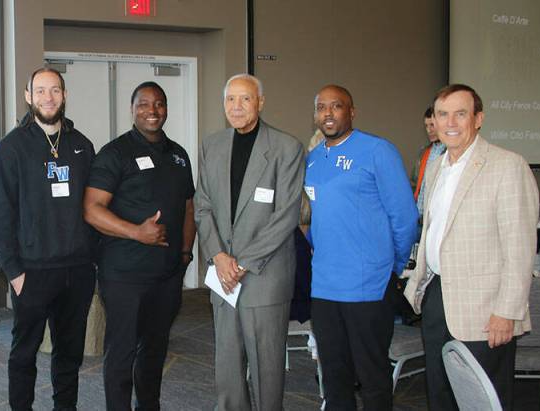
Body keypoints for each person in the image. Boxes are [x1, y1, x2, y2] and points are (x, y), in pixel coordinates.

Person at [404, 84, 538, 410]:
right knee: (441, 396)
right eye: (442, 114)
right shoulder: (437, 166)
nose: (450, 122)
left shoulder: (507, 165)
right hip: (438, 298)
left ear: (478, 119)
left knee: (481, 401)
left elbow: (519, 248)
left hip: (486, 312)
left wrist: (506, 312)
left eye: (460, 114)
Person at [303, 85, 418, 410]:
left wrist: (391, 265)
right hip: (325, 287)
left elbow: (405, 217)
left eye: (336, 106)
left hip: (367, 286)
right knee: (335, 377)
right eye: (321, 107)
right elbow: (322, 216)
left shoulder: (377, 150)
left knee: (372, 377)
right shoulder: (313, 159)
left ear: (351, 112)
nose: (328, 113)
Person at [0, 67, 96, 411]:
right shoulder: (11, 148)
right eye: (41, 91)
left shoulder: (82, 146)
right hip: (31, 272)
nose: (48, 97)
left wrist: (92, 260)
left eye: (55, 90)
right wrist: (14, 273)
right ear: (28, 95)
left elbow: (93, 208)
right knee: (23, 354)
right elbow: (0, 215)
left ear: (64, 95)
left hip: (77, 270)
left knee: (69, 355)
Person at [83, 81, 196, 410]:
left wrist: (185, 255)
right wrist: (137, 232)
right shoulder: (115, 153)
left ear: (166, 109)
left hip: (167, 275)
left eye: (158, 103)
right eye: (144, 104)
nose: (152, 110)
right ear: (132, 110)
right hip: (124, 276)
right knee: (121, 352)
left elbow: (188, 208)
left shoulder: (178, 155)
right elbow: (91, 210)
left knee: (155, 352)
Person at [194, 74, 304, 411]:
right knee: (227, 366)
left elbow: (285, 217)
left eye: (245, 99)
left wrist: (239, 263)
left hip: (264, 275)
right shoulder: (211, 146)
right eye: (231, 99)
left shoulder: (287, 148)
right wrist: (219, 256)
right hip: (223, 274)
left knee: (267, 369)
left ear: (260, 102)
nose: (237, 107)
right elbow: (203, 206)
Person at [411, 105, 446, 213]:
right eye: (426, 126)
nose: (429, 130)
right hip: (420, 213)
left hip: (437, 213)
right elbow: (415, 181)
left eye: (432, 125)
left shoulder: (450, 153)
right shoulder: (424, 152)